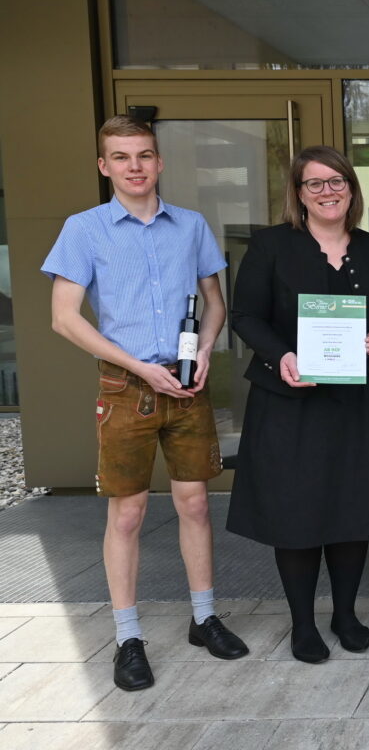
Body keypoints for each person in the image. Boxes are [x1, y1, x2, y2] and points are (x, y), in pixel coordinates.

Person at [42, 114, 247, 691]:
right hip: (125, 387)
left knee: (196, 505)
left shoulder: (191, 226)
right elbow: (63, 318)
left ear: (159, 162)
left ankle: (205, 618)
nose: (135, 167)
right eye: (122, 157)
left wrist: (206, 349)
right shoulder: (84, 229)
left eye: (145, 156)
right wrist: (139, 369)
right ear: (105, 166)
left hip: (187, 386)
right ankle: (127, 636)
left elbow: (214, 302)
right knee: (128, 514)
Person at [226, 145, 369, 663]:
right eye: (315, 184)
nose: (328, 191)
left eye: (337, 182)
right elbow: (245, 316)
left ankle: (345, 613)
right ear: (299, 194)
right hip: (292, 400)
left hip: (358, 403)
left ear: (351, 188)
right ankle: (302, 624)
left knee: (354, 507)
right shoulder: (271, 247)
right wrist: (281, 352)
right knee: (298, 510)